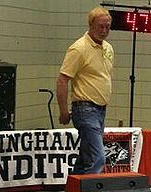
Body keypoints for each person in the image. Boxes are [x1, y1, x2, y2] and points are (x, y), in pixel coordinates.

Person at [56, 6, 114, 174]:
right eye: (100, 27)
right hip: (85, 109)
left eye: (107, 27)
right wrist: (63, 111)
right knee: (98, 159)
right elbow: (62, 81)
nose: (104, 31)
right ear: (90, 25)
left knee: (85, 159)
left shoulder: (108, 48)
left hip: (101, 110)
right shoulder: (79, 49)